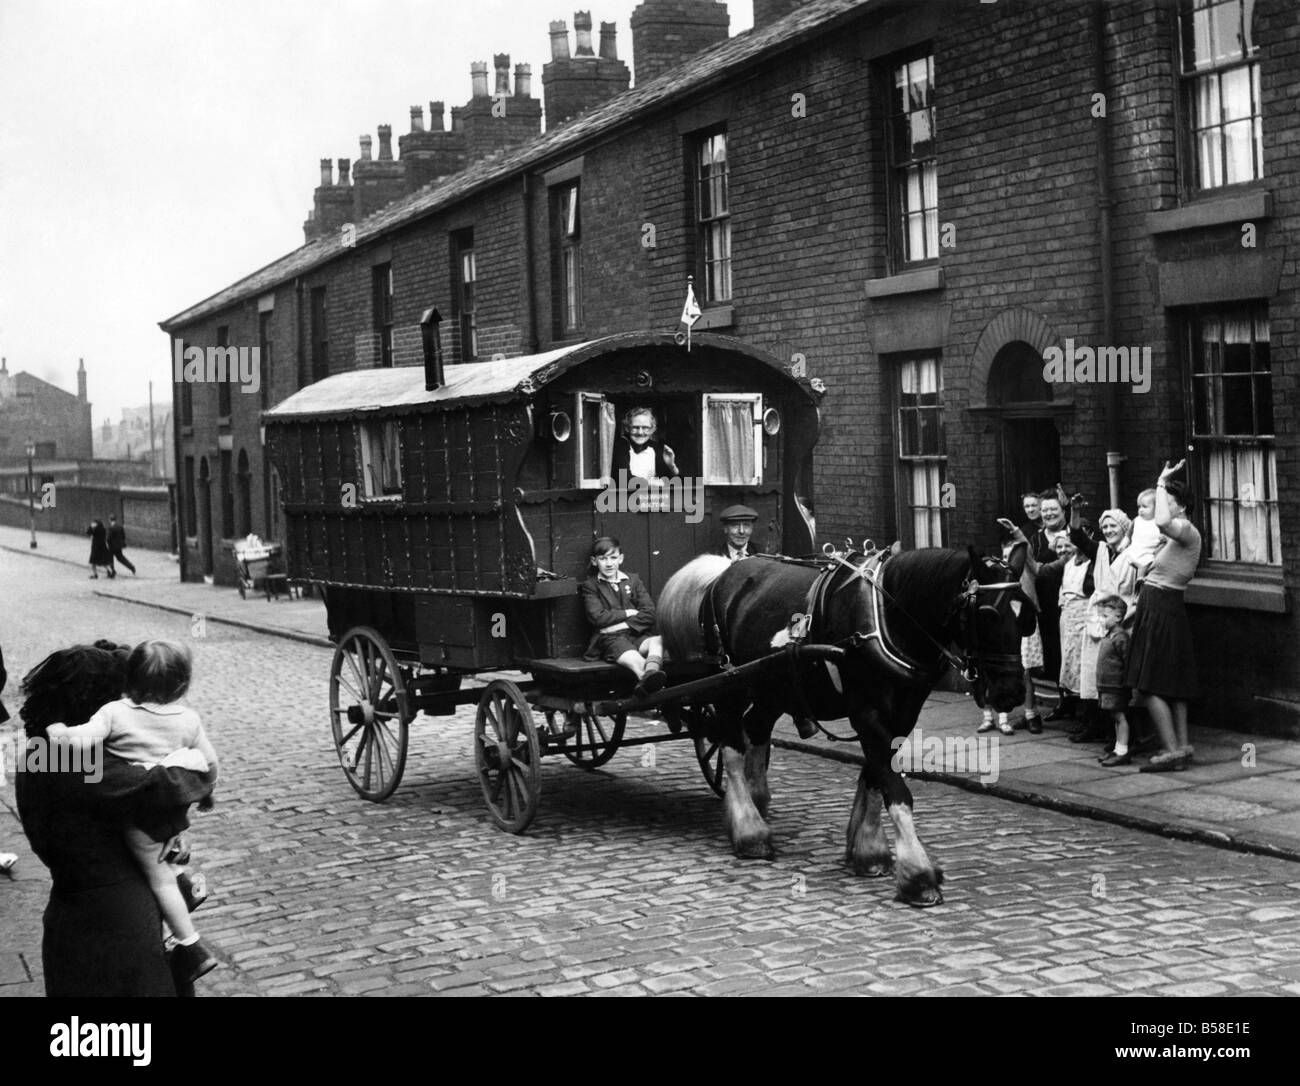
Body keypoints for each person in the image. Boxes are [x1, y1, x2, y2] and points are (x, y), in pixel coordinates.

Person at [17, 642, 216, 996]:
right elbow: (166, 785)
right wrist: (189, 763)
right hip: (119, 919)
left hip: (70, 910)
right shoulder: (81, 763)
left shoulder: (36, 752)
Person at [1128, 461, 1202, 772]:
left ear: (1181, 506)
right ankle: (1182, 748)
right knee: (1173, 683)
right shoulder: (1177, 536)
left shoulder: (1184, 528)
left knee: (1149, 684)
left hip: (1161, 607)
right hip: (1160, 606)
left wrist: (1160, 483)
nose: (1163, 506)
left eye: (1168, 501)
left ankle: (1171, 750)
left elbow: (1160, 521)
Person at [581, 537, 666, 700]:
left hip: (635, 635)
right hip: (610, 640)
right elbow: (598, 618)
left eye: (613, 558)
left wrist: (619, 625)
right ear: (594, 561)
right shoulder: (591, 586)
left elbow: (649, 612)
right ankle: (650, 684)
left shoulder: (633, 580)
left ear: (621, 558)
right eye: (603, 558)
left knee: (658, 641)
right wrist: (629, 613)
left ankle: (651, 676)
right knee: (636, 659)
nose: (608, 563)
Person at [1092, 595, 1134, 767]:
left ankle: (1122, 750)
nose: (1101, 620)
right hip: (1106, 685)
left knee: (1119, 716)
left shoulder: (1120, 637)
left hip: (1116, 686)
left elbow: (1127, 660)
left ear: (1118, 617)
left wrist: (1126, 683)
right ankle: (1117, 748)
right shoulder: (1110, 635)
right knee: (1114, 716)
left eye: (1104, 617)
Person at [610, 407, 679, 481]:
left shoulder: (655, 447)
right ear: (627, 428)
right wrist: (650, 484)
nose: (640, 432)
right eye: (635, 427)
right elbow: (623, 478)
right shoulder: (620, 445)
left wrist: (671, 466)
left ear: (652, 430)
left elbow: (674, 482)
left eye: (645, 428)